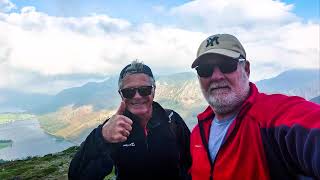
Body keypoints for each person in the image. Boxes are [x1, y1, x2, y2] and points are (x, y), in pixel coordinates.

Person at [190, 33, 320, 180]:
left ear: (246, 69)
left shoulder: (272, 117)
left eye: (227, 65)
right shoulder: (197, 133)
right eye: (205, 70)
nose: (216, 76)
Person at [68, 60, 191, 180]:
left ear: (154, 90)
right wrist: (101, 136)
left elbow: (193, 162)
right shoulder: (113, 129)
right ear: (121, 94)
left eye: (144, 90)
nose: (137, 96)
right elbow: (78, 176)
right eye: (129, 92)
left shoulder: (172, 120)